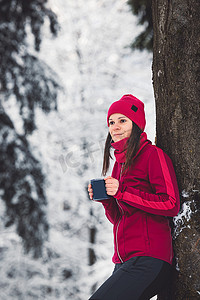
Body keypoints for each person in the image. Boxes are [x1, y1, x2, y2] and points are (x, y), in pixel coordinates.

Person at [88, 94, 180, 300]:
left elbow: (171, 203)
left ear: (136, 124)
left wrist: (122, 192)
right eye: (111, 122)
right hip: (123, 261)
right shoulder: (118, 165)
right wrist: (107, 200)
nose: (115, 127)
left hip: (149, 259)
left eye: (122, 121)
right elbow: (118, 218)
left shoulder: (152, 155)